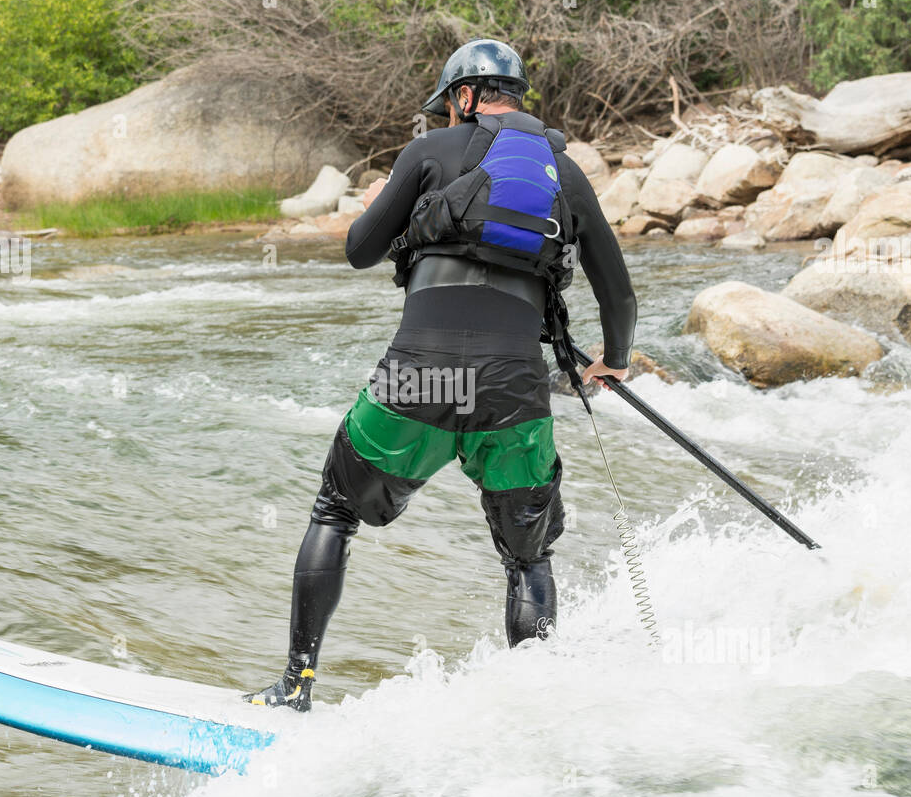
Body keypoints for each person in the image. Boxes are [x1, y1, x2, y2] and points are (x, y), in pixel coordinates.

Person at [247, 39, 636, 711]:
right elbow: (618, 293)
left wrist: (379, 198)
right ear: (515, 98)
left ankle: (296, 685)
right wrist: (615, 360)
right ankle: (536, 712)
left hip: (419, 382)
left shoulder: (426, 152)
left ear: (462, 97)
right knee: (528, 557)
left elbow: (359, 250)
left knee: (337, 509)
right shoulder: (564, 174)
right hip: (515, 392)